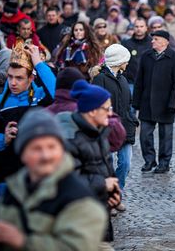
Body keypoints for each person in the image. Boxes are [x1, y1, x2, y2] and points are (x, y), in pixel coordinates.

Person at [0, 109, 107, 251]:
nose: (45, 155)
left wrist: (21, 241)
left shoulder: (80, 197)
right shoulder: (15, 188)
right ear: (23, 154)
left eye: (51, 147)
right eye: (36, 148)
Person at [0, 43, 56, 204]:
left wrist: (38, 62)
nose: (13, 82)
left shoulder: (39, 98)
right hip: (4, 177)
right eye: (10, 76)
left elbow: (56, 91)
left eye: (19, 77)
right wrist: (3, 139)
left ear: (31, 78)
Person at [57, 80, 121, 246]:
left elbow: (102, 171)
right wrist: (103, 184)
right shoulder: (71, 138)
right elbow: (68, 183)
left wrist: (111, 196)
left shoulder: (99, 134)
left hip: (98, 222)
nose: (110, 113)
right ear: (92, 111)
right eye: (107, 108)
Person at [93, 44, 138, 213]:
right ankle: (109, 198)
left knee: (125, 163)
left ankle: (117, 194)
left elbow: (128, 104)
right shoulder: (100, 79)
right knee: (108, 165)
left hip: (125, 127)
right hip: (107, 129)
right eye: (125, 60)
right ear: (119, 60)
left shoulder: (123, 78)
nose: (127, 63)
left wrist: (132, 119)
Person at [133, 30, 175, 173]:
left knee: (166, 136)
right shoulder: (146, 56)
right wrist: (136, 102)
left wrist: (174, 104)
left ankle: (164, 163)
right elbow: (139, 81)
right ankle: (149, 160)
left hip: (166, 103)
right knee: (145, 135)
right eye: (152, 39)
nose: (152, 41)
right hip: (147, 102)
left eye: (155, 39)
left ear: (165, 41)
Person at [121, 17, 153, 88]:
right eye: (136, 26)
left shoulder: (152, 43)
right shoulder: (126, 43)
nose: (139, 29)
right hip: (130, 82)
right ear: (133, 28)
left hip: (148, 82)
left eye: (141, 26)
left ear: (146, 28)